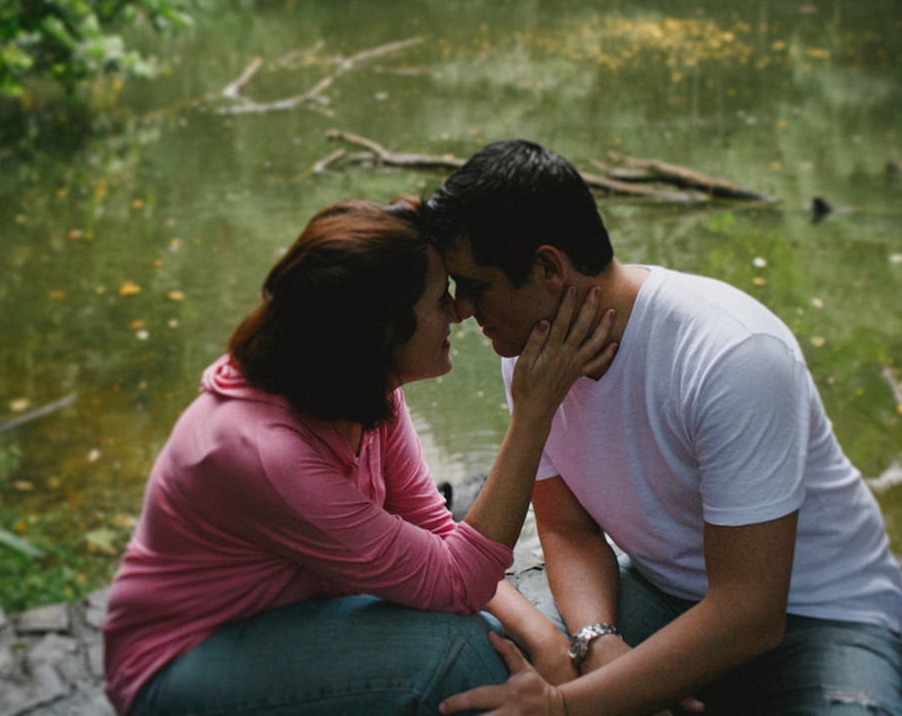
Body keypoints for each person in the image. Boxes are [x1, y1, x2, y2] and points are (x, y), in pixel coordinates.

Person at [421, 140, 902, 716]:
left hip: (820, 618)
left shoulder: (730, 355)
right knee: (473, 651)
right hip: (663, 596)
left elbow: (750, 614)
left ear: (548, 268)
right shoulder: (533, 357)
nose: (460, 309)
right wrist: (598, 640)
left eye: (475, 286)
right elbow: (567, 531)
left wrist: (564, 706)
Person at [102, 197, 617, 716]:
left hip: (292, 619)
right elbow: (460, 580)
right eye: (441, 299)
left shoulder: (364, 389)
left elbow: (439, 536)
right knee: (454, 649)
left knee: (505, 637)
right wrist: (533, 414)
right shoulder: (267, 453)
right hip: (179, 664)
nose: (461, 311)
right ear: (382, 332)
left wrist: (551, 647)